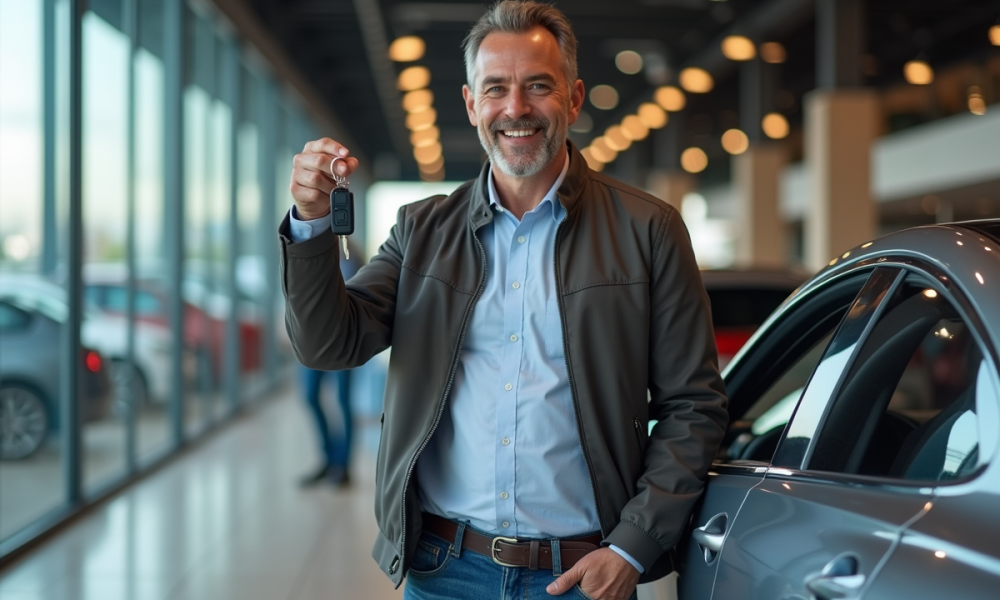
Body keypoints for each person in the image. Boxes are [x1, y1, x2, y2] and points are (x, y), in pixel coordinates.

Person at [279, 2, 728, 598]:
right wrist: (310, 224)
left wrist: (631, 547)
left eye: (538, 86)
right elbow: (326, 343)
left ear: (573, 98)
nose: (516, 109)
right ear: (471, 104)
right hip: (443, 570)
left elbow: (693, 406)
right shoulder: (422, 232)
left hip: (581, 576)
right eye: (496, 89)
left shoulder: (649, 230)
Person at [298, 250, 359, 488]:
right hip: (314, 342)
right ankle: (329, 458)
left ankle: (342, 466)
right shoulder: (308, 254)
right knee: (310, 397)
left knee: (343, 401)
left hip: (342, 343)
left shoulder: (349, 257)